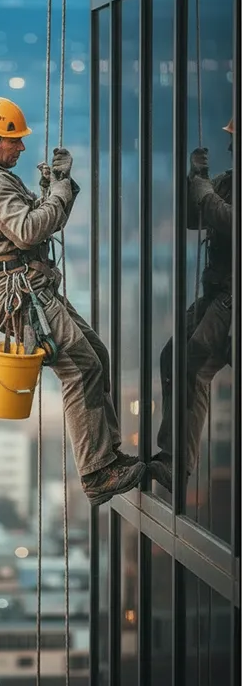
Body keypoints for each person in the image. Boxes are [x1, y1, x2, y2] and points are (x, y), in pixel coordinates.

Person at [0, 96, 144, 506]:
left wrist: (56, 191)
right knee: (81, 367)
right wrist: (57, 191)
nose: (20, 147)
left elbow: (25, 226)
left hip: (25, 288)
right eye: (12, 140)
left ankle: (108, 456)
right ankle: (97, 472)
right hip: (19, 294)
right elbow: (28, 231)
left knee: (97, 355)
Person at [150, 119, 234, 492]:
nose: (231, 148)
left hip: (233, 297)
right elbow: (192, 219)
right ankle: (173, 458)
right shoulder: (231, 180)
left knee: (196, 363)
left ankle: (177, 463)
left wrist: (203, 191)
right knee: (173, 356)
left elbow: (229, 219)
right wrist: (194, 183)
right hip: (219, 291)